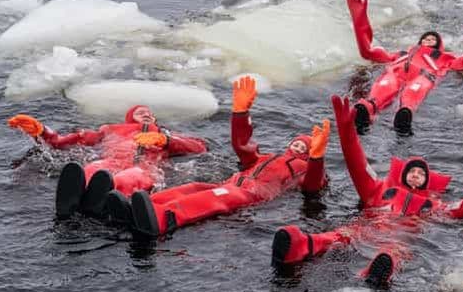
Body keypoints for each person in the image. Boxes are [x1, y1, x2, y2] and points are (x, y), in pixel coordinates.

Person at [270, 95, 463, 288]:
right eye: (412, 171)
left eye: (421, 173)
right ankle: (299, 245)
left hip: (400, 238)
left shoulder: (435, 206)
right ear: (402, 174)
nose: (415, 174)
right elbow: (358, 165)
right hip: (367, 227)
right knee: (339, 235)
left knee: (393, 253)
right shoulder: (379, 190)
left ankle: (377, 272)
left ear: (427, 181)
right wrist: (346, 129)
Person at [117, 75, 330, 238]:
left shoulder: (303, 169)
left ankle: (165, 218)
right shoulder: (266, 157)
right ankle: (140, 205)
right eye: (298, 142)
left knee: (211, 199)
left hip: (252, 194)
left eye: (306, 146)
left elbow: (313, 184)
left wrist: (317, 158)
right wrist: (239, 114)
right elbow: (242, 147)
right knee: (191, 188)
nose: (300, 145)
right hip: (233, 184)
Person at [346, 0, 463, 134]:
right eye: (426, 38)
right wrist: (359, 20)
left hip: (424, 76)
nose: (428, 39)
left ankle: (404, 113)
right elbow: (367, 52)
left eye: (433, 38)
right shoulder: (401, 54)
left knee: (412, 93)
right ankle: (367, 109)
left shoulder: (446, 58)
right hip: (394, 73)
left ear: (439, 44)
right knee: (382, 89)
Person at [7, 105, 207, 220]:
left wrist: (167, 141)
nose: (146, 113)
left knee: (130, 177)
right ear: (129, 117)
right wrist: (42, 131)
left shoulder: (163, 133)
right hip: (110, 161)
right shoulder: (109, 130)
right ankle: (76, 196)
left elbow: (199, 147)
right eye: (140, 112)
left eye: (149, 112)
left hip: (143, 166)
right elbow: (65, 141)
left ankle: (100, 199)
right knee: (93, 168)